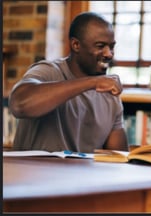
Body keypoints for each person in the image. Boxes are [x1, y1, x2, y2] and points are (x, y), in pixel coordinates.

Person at [9, 12, 128, 153]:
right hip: (36, 173)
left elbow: (119, 157)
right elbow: (19, 105)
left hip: (83, 175)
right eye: (100, 46)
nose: (109, 54)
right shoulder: (48, 71)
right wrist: (92, 83)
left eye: (111, 46)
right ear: (76, 45)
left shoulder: (110, 95)